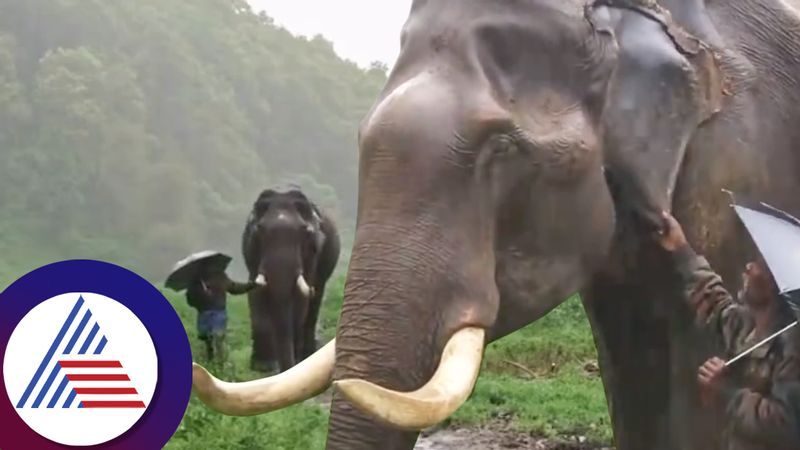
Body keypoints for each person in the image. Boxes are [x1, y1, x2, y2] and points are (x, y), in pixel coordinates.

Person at [655, 210, 800, 449]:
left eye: (758, 265)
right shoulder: (746, 325)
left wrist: (725, 392)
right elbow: (714, 303)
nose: (748, 267)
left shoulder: (793, 349)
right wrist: (681, 249)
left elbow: (786, 423)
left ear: (774, 287)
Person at [187, 266, 258, 362]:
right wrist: (202, 295)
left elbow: (234, 288)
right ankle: (212, 360)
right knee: (208, 339)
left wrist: (251, 285)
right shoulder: (197, 280)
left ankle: (219, 361)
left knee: (216, 337)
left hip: (215, 312)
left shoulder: (218, 276)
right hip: (206, 313)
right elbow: (190, 300)